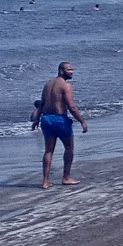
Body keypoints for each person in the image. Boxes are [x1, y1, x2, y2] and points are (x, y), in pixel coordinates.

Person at [31, 61, 88, 189]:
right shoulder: (65, 85)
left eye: (72, 69)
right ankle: (66, 177)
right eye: (69, 69)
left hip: (46, 119)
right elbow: (71, 106)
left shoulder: (48, 84)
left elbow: (42, 104)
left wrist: (36, 119)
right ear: (61, 71)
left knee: (48, 150)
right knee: (69, 148)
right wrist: (82, 121)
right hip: (60, 120)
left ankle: (45, 181)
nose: (71, 72)